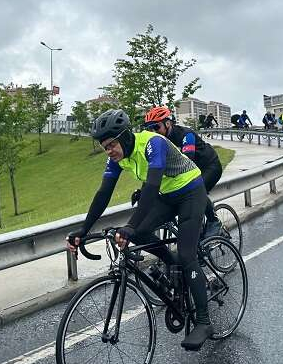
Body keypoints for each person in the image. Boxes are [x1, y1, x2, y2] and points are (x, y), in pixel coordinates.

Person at [66, 109, 214, 350]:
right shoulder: (117, 158)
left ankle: (204, 321)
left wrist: (129, 226)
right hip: (167, 195)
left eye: (111, 144)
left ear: (125, 137)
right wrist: (83, 229)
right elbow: (104, 193)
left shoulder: (152, 143)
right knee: (142, 234)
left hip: (190, 191)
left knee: (187, 255)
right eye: (105, 147)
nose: (109, 150)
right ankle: (172, 260)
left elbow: (152, 186)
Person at [143, 106, 224, 238]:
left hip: (209, 166)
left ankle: (214, 221)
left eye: (156, 127)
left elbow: (187, 162)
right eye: (149, 128)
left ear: (168, 123)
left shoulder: (186, 135)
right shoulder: (157, 142)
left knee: (197, 188)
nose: (153, 131)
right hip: (193, 169)